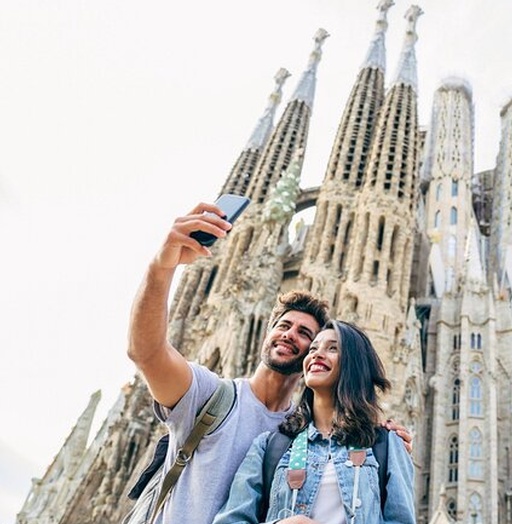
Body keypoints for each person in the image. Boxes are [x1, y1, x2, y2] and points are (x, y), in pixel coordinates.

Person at [128, 203, 412, 523]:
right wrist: (160, 267)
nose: (289, 335)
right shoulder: (213, 397)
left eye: (306, 334)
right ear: (267, 331)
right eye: (283, 326)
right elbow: (147, 353)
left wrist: (381, 439)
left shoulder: (298, 435)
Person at [214, 320, 416, 524]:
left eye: (333, 348)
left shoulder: (388, 445)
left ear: (355, 364)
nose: (317, 354)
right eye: (313, 348)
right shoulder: (269, 446)